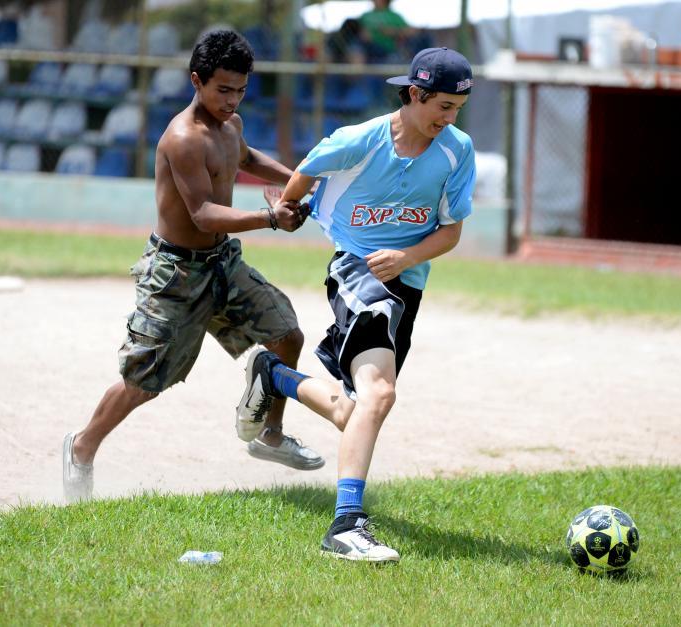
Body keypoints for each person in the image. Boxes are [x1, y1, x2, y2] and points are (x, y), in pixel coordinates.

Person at [62, 29, 324, 504]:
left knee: (287, 334)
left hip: (222, 261)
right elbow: (202, 213)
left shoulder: (232, 125)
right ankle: (81, 447)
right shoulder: (183, 138)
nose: (232, 99)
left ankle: (270, 435)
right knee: (143, 383)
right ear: (196, 81)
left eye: (241, 90)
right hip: (176, 274)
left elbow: (245, 158)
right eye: (223, 89)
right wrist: (270, 218)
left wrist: (298, 179)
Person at [236, 47, 476, 561]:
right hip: (356, 268)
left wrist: (407, 255)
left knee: (355, 412)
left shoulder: (457, 150)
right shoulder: (360, 140)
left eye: (457, 109)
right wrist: (288, 207)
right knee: (381, 394)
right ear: (414, 94)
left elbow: (452, 231)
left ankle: (273, 375)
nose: (449, 118)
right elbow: (305, 170)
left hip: (405, 282)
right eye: (443, 107)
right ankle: (345, 526)